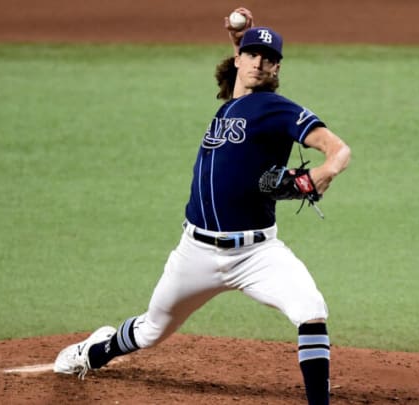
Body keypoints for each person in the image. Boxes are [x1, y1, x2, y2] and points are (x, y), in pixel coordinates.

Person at [53, 7, 351, 405]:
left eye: (269, 59)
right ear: (240, 59)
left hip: (256, 253)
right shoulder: (233, 102)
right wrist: (237, 39)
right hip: (195, 251)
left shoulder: (277, 108)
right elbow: (241, 80)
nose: (259, 63)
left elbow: (338, 148)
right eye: (252, 55)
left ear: (277, 69)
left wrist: (323, 174)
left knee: (311, 308)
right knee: (151, 331)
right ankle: (93, 352)